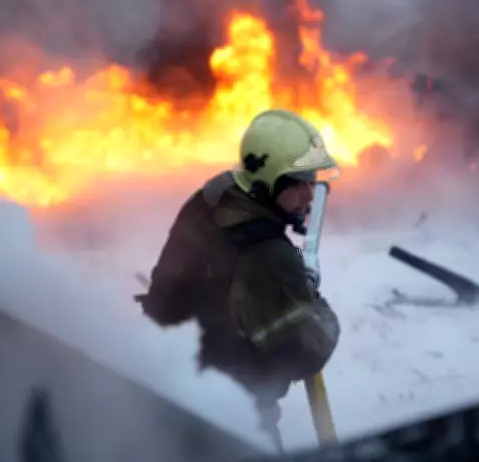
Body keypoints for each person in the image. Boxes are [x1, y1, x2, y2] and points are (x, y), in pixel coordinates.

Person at [138, 109, 341, 431]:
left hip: (159, 385)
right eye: (299, 183)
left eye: (312, 180)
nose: (310, 195)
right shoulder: (267, 254)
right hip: (228, 421)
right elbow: (304, 351)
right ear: (267, 182)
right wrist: (318, 307)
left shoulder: (212, 200)